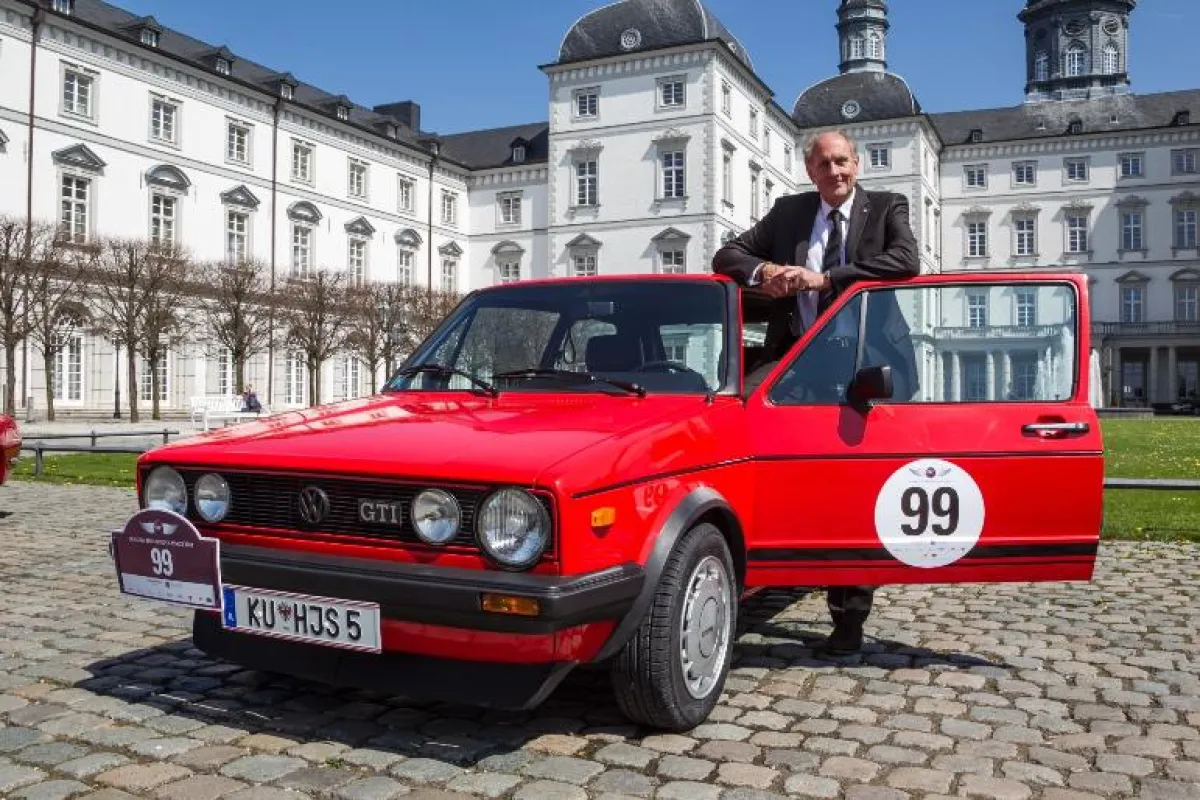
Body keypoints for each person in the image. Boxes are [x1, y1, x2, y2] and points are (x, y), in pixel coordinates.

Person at [711, 129, 920, 655]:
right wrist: (767, 272)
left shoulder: (887, 205)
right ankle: (742, 557)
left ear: (858, 165)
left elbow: (905, 261)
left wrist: (824, 279)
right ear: (811, 171)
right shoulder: (788, 212)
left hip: (866, 359)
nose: (835, 172)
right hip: (799, 358)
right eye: (824, 164)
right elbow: (726, 255)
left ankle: (849, 618)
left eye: (843, 162)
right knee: (737, 421)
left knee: (856, 484)